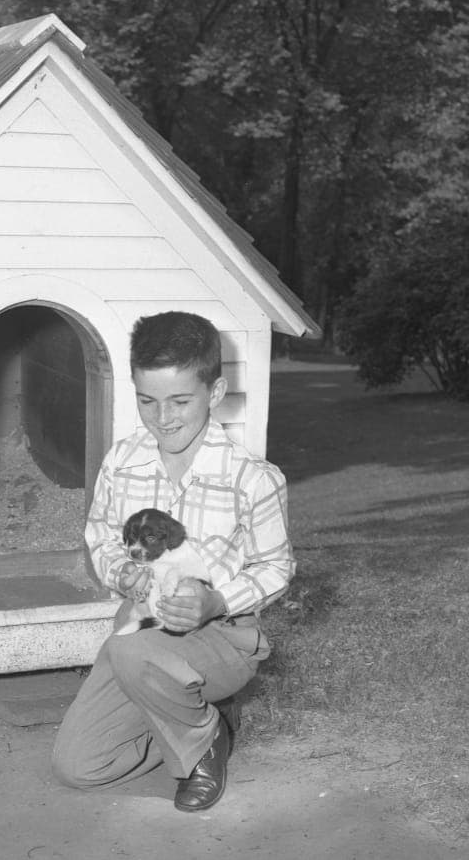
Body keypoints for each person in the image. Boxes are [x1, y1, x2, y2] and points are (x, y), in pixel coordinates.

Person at [52, 311, 294, 812]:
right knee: (80, 766)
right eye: (147, 401)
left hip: (222, 637)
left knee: (130, 650)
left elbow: (276, 568)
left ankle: (203, 739)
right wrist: (121, 572)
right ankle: (186, 712)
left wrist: (216, 600)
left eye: (180, 401)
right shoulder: (122, 462)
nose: (163, 418)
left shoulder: (253, 478)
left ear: (216, 391)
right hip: (145, 630)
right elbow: (100, 535)